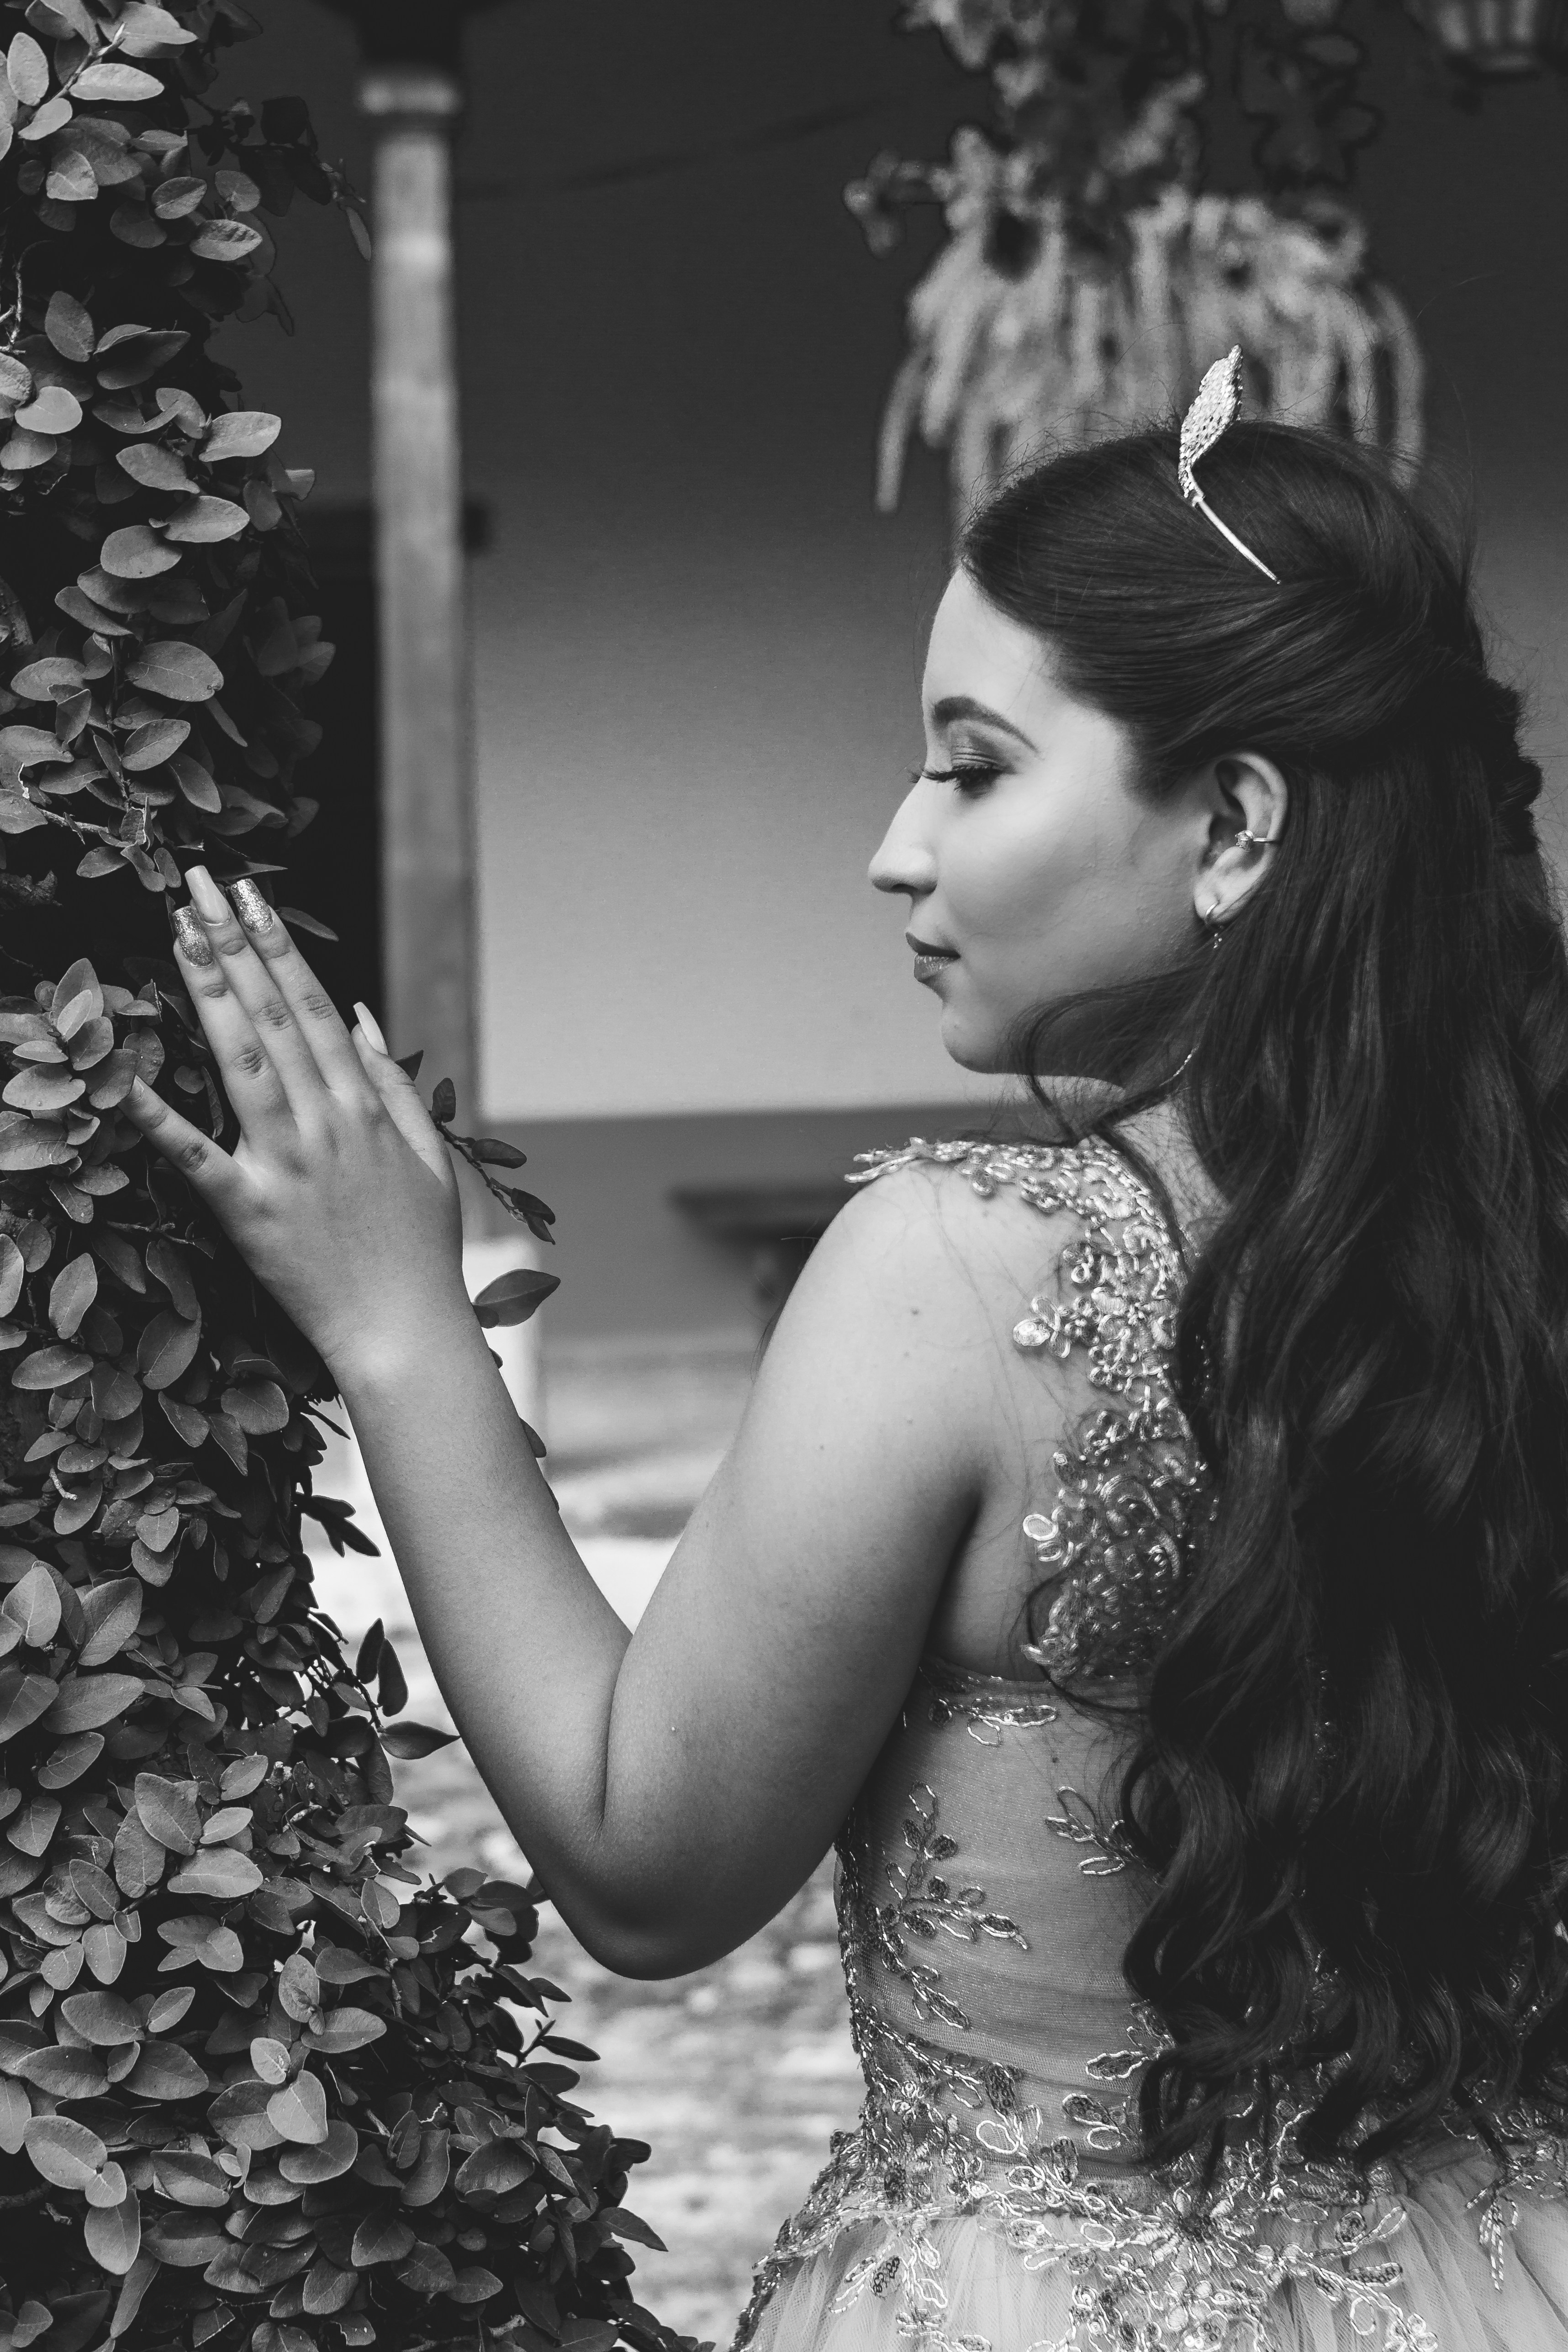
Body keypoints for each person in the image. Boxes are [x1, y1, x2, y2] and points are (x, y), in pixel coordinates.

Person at [125, 371, 1568, 2352]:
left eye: (972, 769)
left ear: (1233, 826)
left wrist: (397, 1323)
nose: (893, 849)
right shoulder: (1523, 1259)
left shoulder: (958, 1279)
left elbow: (646, 1866)